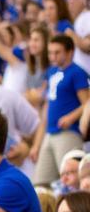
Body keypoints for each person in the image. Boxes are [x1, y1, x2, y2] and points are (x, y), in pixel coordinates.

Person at [33, 34, 89, 187]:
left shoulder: (77, 72)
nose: (52, 56)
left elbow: (88, 102)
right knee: (40, 184)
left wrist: (71, 117)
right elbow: (46, 109)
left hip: (68, 132)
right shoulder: (51, 72)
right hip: (50, 133)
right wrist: (36, 144)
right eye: (50, 52)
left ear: (70, 52)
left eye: (57, 52)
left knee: (70, 181)